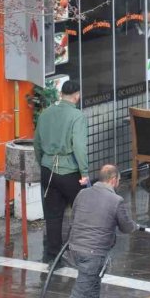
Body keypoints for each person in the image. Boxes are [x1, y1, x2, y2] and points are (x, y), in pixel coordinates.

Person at [52, 164, 145, 298]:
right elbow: (126, 227)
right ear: (113, 180)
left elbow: (74, 218)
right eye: (118, 180)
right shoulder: (116, 200)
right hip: (93, 252)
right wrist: (136, 226)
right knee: (79, 292)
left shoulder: (82, 194)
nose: (118, 184)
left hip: (76, 249)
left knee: (93, 282)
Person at [34, 80, 89, 262]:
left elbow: (37, 144)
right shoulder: (77, 116)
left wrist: (43, 163)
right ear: (76, 95)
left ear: (61, 94)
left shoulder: (45, 114)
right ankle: (81, 252)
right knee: (81, 213)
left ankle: (53, 255)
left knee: (53, 215)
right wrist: (84, 172)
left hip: (48, 170)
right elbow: (79, 147)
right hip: (70, 172)